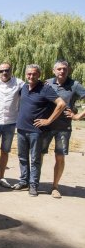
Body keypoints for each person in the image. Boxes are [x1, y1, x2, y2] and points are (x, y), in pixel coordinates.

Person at [13, 64, 66, 197]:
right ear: (26, 75)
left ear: (39, 75)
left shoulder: (45, 89)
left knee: (35, 159)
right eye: (29, 74)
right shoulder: (24, 88)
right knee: (22, 157)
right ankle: (24, 180)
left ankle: (33, 185)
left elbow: (61, 104)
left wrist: (48, 120)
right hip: (21, 128)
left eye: (34, 74)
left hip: (36, 131)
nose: (31, 76)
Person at [41, 60, 85, 198]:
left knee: (59, 157)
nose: (62, 71)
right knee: (38, 155)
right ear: (54, 71)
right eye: (59, 69)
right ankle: (34, 183)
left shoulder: (75, 85)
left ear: (68, 70)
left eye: (64, 69)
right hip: (46, 127)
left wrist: (78, 116)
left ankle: (55, 187)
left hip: (64, 128)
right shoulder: (47, 83)